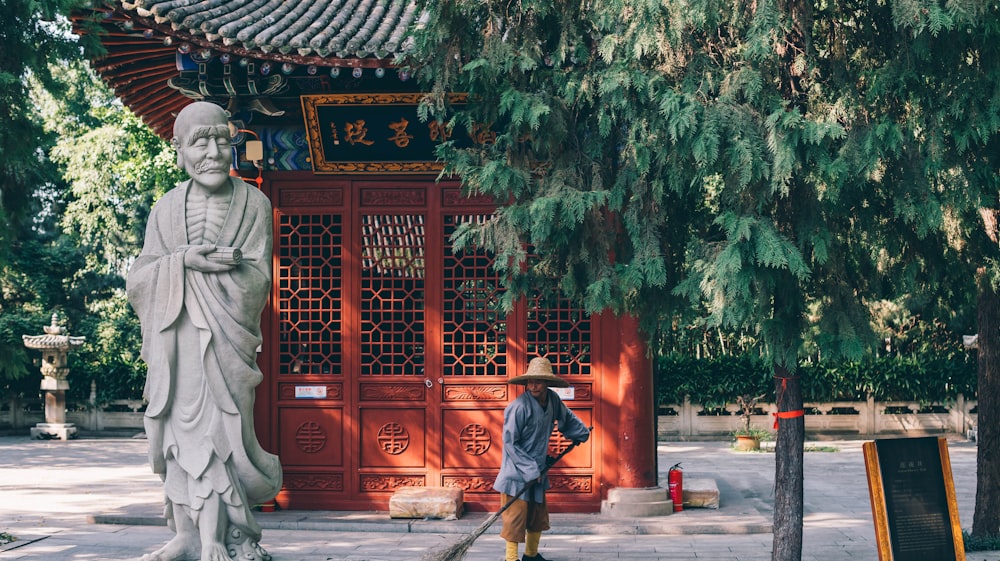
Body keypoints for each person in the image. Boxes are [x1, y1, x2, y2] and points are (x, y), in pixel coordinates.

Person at [127, 101, 281, 561]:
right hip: (177, 346)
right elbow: (140, 277)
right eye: (200, 141)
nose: (213, 151)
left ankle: (226, 537)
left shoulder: (255, 203)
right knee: (178, 439)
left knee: (220, 438)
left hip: (224, 347)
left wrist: (222, 270)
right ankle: (187, 534)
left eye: (221, 139)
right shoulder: (166, 208)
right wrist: (183, 262)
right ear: (178, 151)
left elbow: (259, 279)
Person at [494, 356, 591, 561]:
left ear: (547, 383)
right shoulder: (518, 407)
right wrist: (530, 470)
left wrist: (581, 432)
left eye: (538, 381)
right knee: (515, 519)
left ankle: (531, 556)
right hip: (516, 473)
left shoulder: (553, 400)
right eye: (530, 381)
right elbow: (510, 443)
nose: (533, 385)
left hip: (537, 470)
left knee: (537, 515)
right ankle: (511, 559)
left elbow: (567, 419)